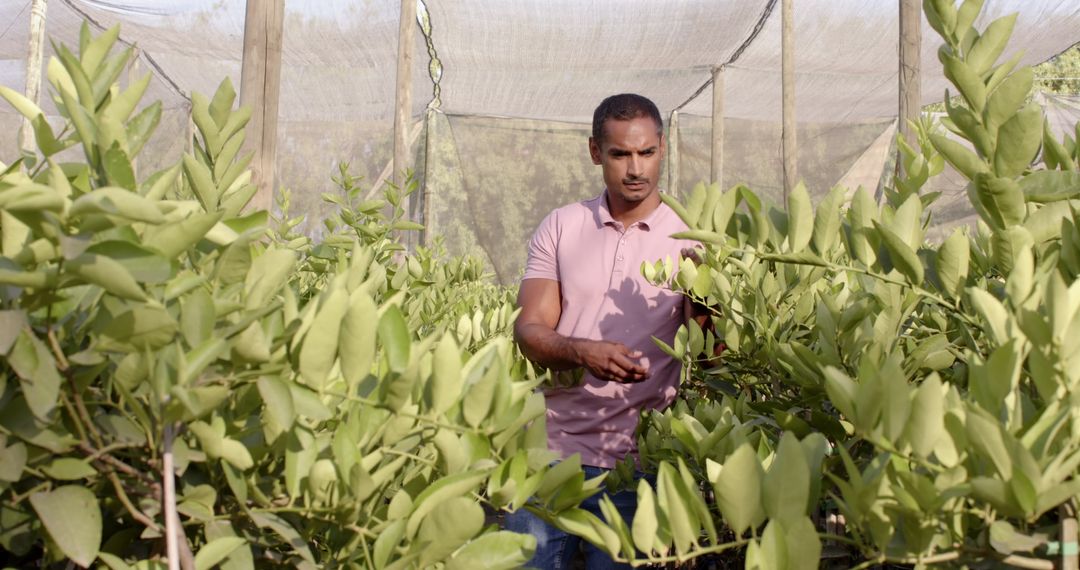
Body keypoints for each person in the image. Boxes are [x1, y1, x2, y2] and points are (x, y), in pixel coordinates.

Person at [509, 93, 698, 569]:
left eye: (647, 152)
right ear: (595, 152)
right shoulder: (562, 226)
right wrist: (581, 351)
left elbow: (713, 354)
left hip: (637, 463)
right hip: (548, 454)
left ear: (663, 147)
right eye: (620, 154)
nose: (636, 169)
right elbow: (529, 329)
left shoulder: (692, 237)